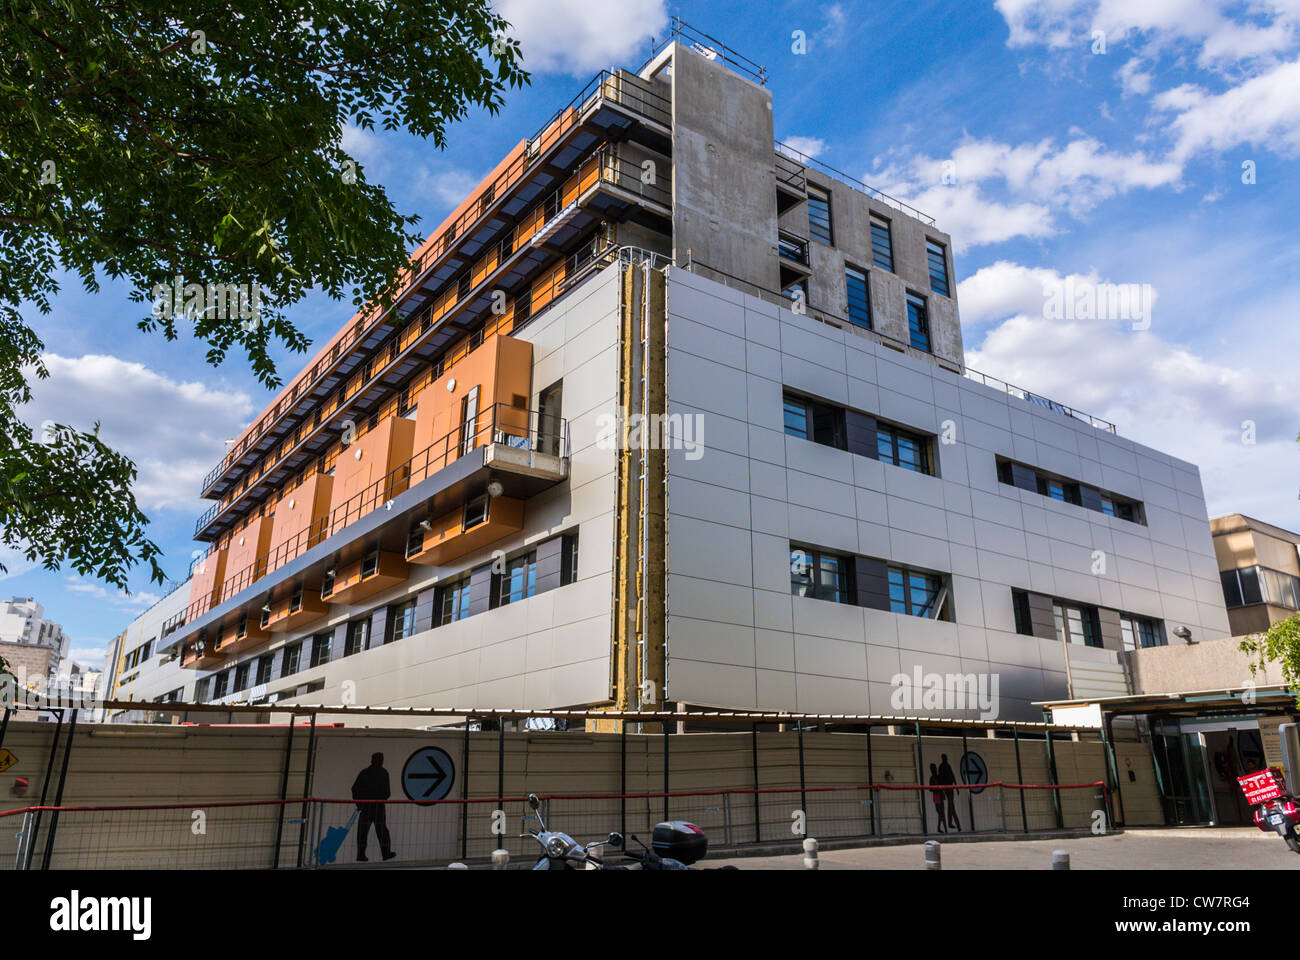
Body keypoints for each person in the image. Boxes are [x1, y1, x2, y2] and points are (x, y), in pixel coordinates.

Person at [351, 752, 396, 862]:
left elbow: (354, 789)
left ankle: (360, 854)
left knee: (362, 831)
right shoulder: (384, 773)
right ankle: (386, 853)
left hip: (365, 806)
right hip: (378, 807)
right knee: (382, 830)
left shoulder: (364, 773)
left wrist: (359, 804)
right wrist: (382, 799)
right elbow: (387, 792)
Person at [937, 754, 961, 831]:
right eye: (944, 758)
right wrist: (942, 790)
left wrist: (956, 787)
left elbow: (953, 776)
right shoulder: (941, 767)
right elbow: (940, 778)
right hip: (946, 787)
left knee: (951, 805)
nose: (946, 759)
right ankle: (952, 823)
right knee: (950, 805)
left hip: (950, 787)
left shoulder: (948, 765)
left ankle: (953, 823)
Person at [928, 762, 946, 834]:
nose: (934, 770)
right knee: (939, 813)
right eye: (932, 769)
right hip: (936, 796)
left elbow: (942, 786)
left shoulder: (938, 777)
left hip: (940, 795)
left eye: (934, 768)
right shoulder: (932, 778)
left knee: (942, 812)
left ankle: (942, 828)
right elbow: (930, 789)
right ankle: (940, 828)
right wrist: (935, 788)